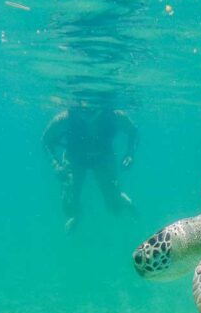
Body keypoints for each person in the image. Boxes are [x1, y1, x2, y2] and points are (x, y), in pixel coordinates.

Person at [43, 96, 138, 232]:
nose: (88, 111)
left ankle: (120, 197)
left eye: (93, 108)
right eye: (83, 109)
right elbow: (46, 139)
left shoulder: (114, 116)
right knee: (68, 203)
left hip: (103, 158)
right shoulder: (65, 118)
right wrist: (55, 164)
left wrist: (130, 154)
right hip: (75, 158)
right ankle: (76, 215)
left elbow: (133, 131)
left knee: (114, 206)